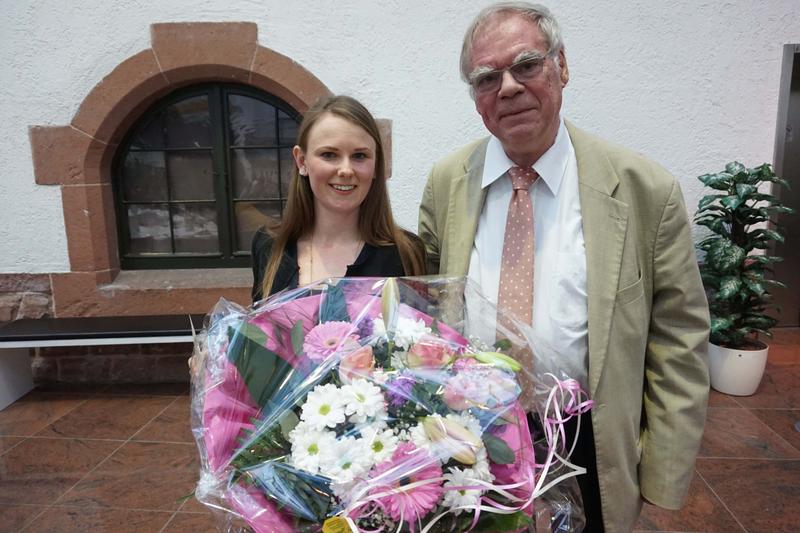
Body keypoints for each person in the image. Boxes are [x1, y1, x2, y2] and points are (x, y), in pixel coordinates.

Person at [417, 3, 710, 531]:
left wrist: (664, 479)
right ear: (477, 99)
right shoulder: (446, 182)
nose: (507, 87)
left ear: (562, 66)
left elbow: (678, 341)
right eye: (487, 77)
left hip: (587, 435)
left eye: (526, 65)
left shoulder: (645, 188)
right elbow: (432, 306)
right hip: (470, 432)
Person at [252, 95, 426, 301]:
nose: (346, 170)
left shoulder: (406, 253)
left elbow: (417, 329)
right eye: (329, 155)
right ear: (302, 161)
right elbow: (258, 330)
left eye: (359, 156)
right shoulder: (270, 246)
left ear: (376, 164)